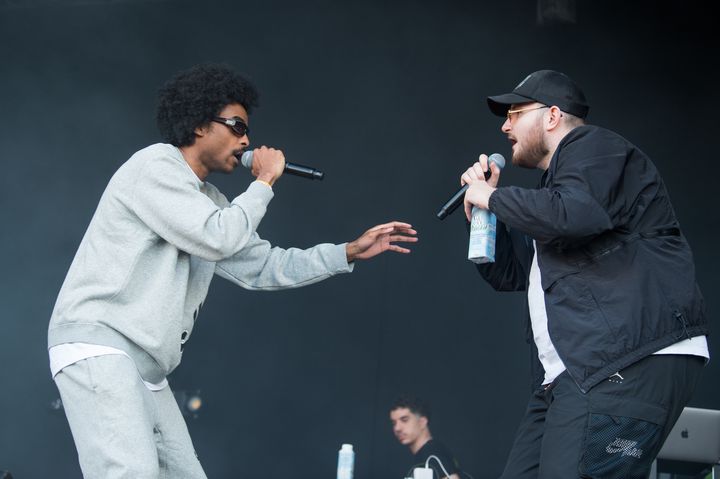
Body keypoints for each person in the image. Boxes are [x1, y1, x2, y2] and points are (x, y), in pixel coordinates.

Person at [47, 63, 418, 479]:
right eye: (237, 126)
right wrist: (263, 183)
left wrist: (347, 252)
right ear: (200, 124)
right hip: (101, 346)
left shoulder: (210, 200)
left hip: (146, 368)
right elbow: (219, 237)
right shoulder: (154, 166)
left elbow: (261, 266)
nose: (246, 140)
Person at [461, 69, 709, 478]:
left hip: (627, 358)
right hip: (574, 372)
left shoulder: (594, 147)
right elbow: (510, 273)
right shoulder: (557, 192)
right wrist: (484, 216)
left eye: (515, 113)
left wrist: (494, 196)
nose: (505, 125)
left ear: (553, 116)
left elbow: (571, 214)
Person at [390, 395, 462, 479]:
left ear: (422, 422)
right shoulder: (426, 454)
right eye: (394, 423)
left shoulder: (432, 454)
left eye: (404, 420)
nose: (397, 428)